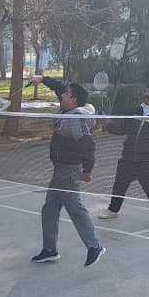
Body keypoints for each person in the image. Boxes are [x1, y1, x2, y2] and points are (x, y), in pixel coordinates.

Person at [28, 75, 105, 267]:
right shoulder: (68, 109)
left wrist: (88, 169)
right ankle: (50, 250)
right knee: (49, 210)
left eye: (67, 94)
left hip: (69, 171)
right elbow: (59, 88)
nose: (62, 95)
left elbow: (88, 144)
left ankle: (94, 247)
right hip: (60, 170)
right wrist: (42, 79)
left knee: (76, 209)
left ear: (73, 100)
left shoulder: (74, 120)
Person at [99, 81, 149, 227]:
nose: (146, 94)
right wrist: (107, 125)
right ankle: (113, 210)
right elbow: (122, 129)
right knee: (119, 185)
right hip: (128, 157)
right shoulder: (134, 111)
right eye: (145, 91)